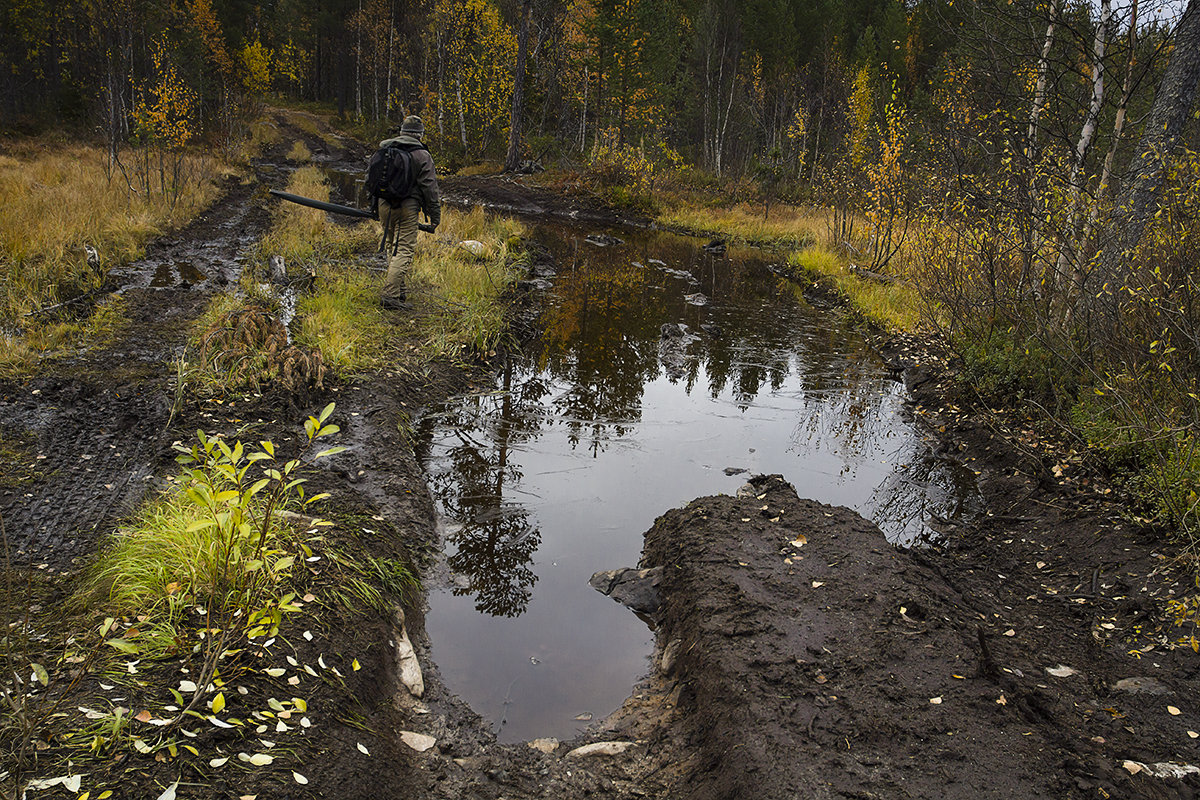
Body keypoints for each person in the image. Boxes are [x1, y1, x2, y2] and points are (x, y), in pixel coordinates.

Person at [377, 115, 441, 310]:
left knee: (392, 247)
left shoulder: (385, 149)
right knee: (403, 249)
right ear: (420, 134)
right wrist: (435, 216)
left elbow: (372, 178)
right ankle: (390, 295)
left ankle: (398, 290)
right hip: (407, 206)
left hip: (384, 204)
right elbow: (430, 188)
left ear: (402, 132)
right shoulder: (422, 155)